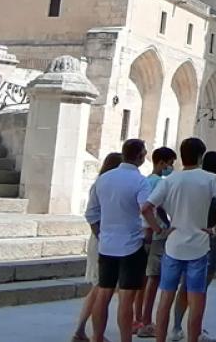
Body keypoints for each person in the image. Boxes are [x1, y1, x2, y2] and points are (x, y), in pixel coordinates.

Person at [142, 137, 216, 342]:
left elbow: (146, 207)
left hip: (174, 245)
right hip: (199, 246)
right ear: (201, 156)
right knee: (196, 298)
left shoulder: (170, 181)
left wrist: (160, 229)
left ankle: (161, 338)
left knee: (166, 297)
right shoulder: (210, 179)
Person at [85, 139, 152, 342]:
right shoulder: (140, 181)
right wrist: (151, 230)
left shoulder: (103, 179)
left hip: (107, 245)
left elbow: (91, 213)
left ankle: (97, 336)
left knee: (103, 293)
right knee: (126, 297)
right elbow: (146, 208)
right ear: (140, 156)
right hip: (131, 244)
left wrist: (100, 233)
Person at [167, 152, 216, 342]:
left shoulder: (188, 181)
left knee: (185, 285)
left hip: (188, 232)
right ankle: (195, 330)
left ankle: (177, 326)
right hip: (211, 236)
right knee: (200, 288)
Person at [73, 151, 124, 342]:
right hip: (103, 240)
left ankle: (84, 331)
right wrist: (102, 236)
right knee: (100, 288)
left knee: (99, 288)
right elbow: (91, 215)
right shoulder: (102, 185)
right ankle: (90, 332)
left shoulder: (103, 184)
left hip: (104, 238)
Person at [134, 146, 177, 340]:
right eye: (170, 163)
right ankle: (146, 320)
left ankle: (138, 318)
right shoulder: (159, 182)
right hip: (155, 235)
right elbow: (155, 208)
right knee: (154, 277)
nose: (171, 167)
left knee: (143, 280)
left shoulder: (145, 181)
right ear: (162, 162)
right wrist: (163, 227)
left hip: (142, 232)